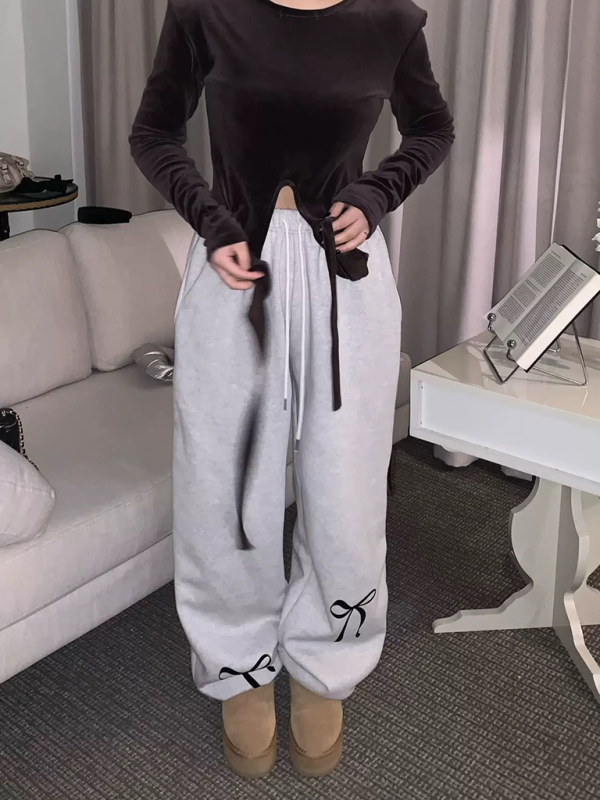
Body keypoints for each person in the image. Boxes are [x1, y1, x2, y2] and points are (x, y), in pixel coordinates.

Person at [130, 0, 454, 779]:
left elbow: (432, 129)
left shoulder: (391, 22)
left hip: (349, 282)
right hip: (234, 268)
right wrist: (209, 218)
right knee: (225, 484)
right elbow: (154, 133)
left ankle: (325, 657)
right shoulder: (205, 12)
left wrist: (375, 195)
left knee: (344, 485)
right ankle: (237, 662)